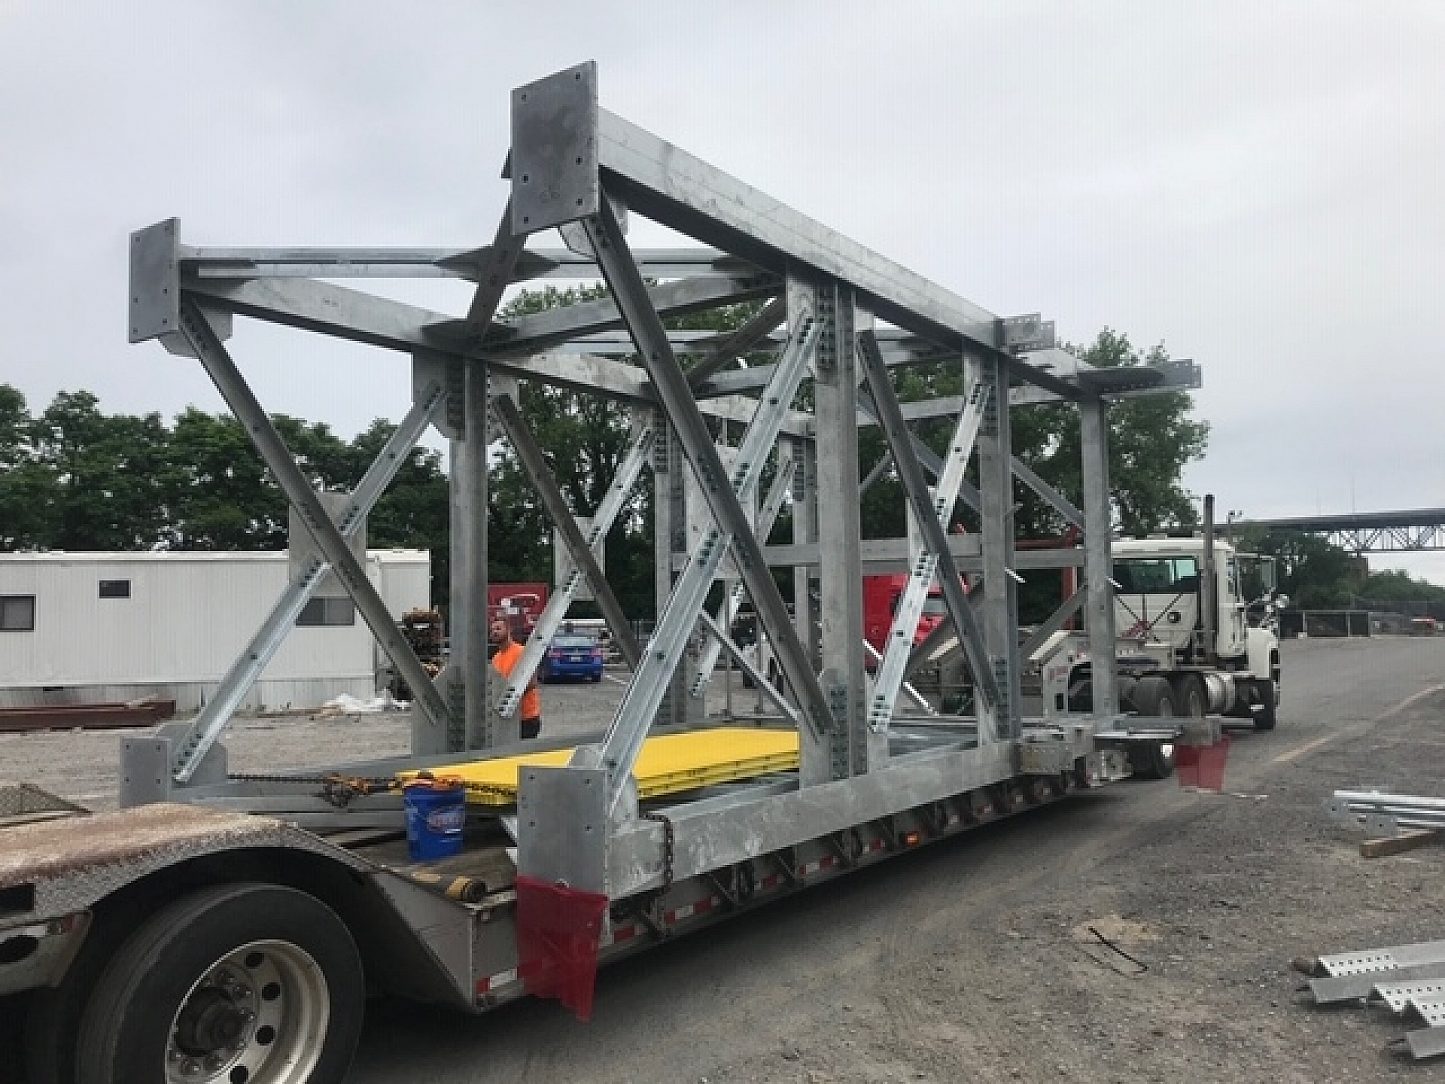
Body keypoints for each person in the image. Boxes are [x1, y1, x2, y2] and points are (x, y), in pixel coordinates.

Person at [489, 615, 541, 739]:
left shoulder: (521, 652)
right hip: (506, 717)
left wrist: (509, 695)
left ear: (508, 630)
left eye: (498, 629)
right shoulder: (496, 659)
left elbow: (532, 682)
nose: (494, 632)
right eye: (492, 630)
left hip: (526, 717)